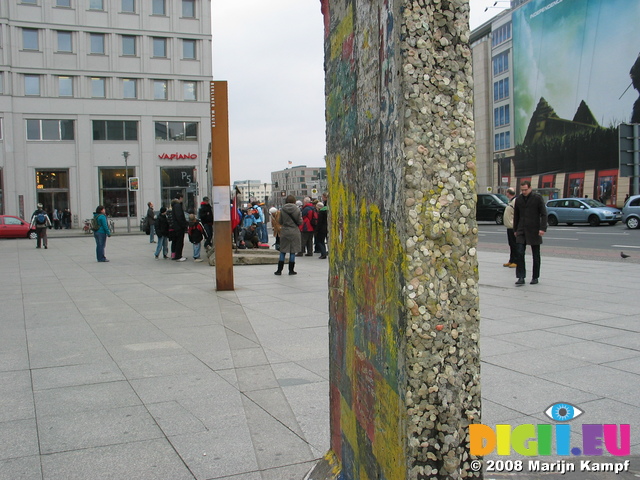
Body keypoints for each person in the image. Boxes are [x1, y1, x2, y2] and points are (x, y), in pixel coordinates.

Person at [513, 180, 547, 285]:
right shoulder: (518, 200)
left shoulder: (537, 198)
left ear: (530, 188)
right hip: (521, 230)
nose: (524, 192)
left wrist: (542, 228)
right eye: (522, 190)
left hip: (534, 230)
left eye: (525, 190)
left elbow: (544, 214)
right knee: (519, 253)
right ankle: (521, 277)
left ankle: (535, 277)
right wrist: (515, 230)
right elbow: (516, 216)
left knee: (536, 255)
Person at [275, 195, 302, 275]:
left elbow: (280, 221)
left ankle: (279, 270)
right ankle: (291, 270)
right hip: (294, 231)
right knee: (292, 251)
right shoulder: (297, 210)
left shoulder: (282, 210)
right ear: (294, 201)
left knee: (283, 250)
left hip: (285, 231)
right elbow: (300, 222)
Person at [170, 193, 189, 262]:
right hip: (179, 227)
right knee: (179, 242)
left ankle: (175, 255)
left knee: (176, 241)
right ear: (180, 198)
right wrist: (184, 224)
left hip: (176, 227)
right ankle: (178, 256)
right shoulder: (178, 205)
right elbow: (180, 217)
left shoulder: (174, 205)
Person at [503, 188, 517, 268]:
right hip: (509, 226)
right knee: (511, 244)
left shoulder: (515, 201)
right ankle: (511, 260)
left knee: (514, 244)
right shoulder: (510, 201)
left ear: (508, 193)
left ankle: (515, 260)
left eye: (506, 192)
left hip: (513, 226)